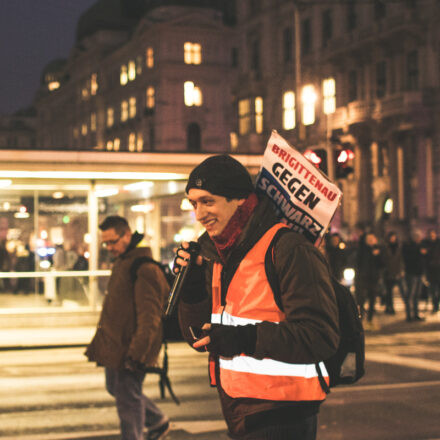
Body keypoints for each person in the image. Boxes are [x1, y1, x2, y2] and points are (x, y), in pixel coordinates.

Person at [174, 155, 339, 440]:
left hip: (284, 412)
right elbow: (198, 338)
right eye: (193, 203)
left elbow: (320, 336)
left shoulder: (287, 248)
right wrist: (190, 292)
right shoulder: (214, 253)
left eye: (208, 201)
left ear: (239, 199)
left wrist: (243, 338)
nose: (199, 214)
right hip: (239, 407)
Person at [85, 216, 170, 440]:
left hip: (131, 348)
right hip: (116, 345)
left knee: (127, 399)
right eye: (106, 243)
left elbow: (150, 317)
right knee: (116, 388)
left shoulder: (143, 268)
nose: (109, 248)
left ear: (128, 235)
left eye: (113, 242)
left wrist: (137, 354)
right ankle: (158, 421)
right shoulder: (124, 261)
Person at [356, 232, 383, 327]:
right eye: (369, 240)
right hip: (363, 278)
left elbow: (381, 264)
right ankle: (361, 319)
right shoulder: (362, 250)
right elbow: (358, 263)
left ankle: (370, 319)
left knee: (372, 299)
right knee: (361, 300)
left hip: (374, 278)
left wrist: (377, 255)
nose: (371, 241)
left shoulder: (378, 250)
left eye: (372, 239)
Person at [402, 229, 427, 322]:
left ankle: (416, 314)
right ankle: (409, 315)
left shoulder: (420, 246)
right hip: (411, 273)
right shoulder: (409, 246)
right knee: (410, 295)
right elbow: (409, 259)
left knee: (417, 295)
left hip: (419, 272)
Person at [382, 231, 406, 315]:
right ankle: (390, 307)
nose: (393, 239)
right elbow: (384, 259)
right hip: (388, 272)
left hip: (398, 271)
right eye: (391, 237)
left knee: (403, 291)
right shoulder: (385, 247)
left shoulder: (399, 246)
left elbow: (401, 259)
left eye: (394, 237)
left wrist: (402, 270)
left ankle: (408, 307)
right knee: (389, 292)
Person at [423, 229, 440, 314]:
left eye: (433, 234)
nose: (432, 236)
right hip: (431, 270)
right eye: (431, 234)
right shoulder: (426, 244)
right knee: (433, 290)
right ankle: (435, 306)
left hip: (438, 269)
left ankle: (437, 304)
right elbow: (424, 257)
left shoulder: (438, 243)